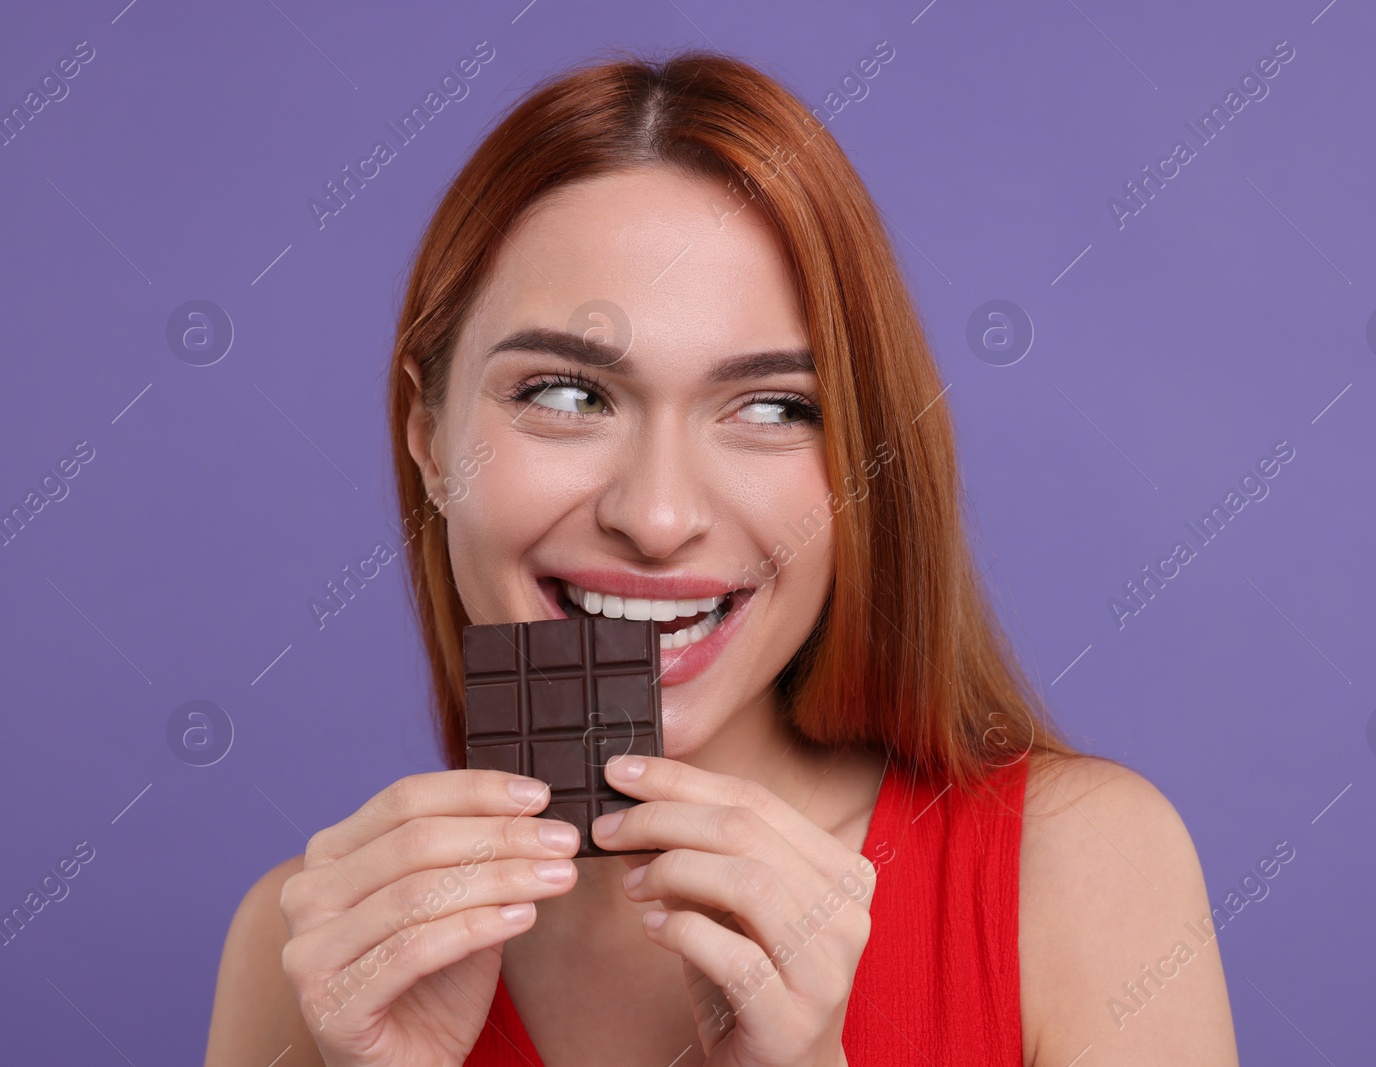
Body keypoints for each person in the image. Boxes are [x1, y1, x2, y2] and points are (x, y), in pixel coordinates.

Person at [204, 49, 1239, 1066]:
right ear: (428, 437)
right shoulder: (302, 952)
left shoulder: (1078, 872)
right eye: (566, 395)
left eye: (773, 407)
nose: (656, 516)